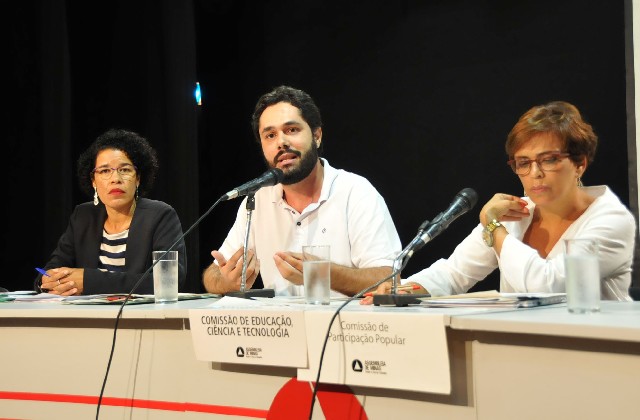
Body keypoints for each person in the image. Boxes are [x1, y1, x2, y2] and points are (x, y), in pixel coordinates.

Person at [363, 101, 635, 303]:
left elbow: (548, 286)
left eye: (549, 160)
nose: (535, 173)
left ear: (579, 164)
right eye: (523, 163)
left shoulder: (610, 219)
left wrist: (493, 228)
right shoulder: (517, 213)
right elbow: (454, 273)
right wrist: (405, 289)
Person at [203, 85, 401, 296]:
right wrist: (226, 281)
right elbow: (212, 276)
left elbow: (389, 278)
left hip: (343, 317)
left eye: (291, 130)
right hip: (281, 319)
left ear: (317, 135)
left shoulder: (356, 192)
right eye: (270, 135)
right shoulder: (257, 200)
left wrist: (320, 272)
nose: (281, 142)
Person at [35, 129, 187, 295]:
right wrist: (48, 281)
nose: (116, 179)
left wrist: (89, 281)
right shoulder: (83, 216)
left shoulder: (160, 216)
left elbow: (169, 280)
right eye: (105, 171)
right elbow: (53, 268)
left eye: (125, 170)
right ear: (93, 181)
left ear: (138, 178)